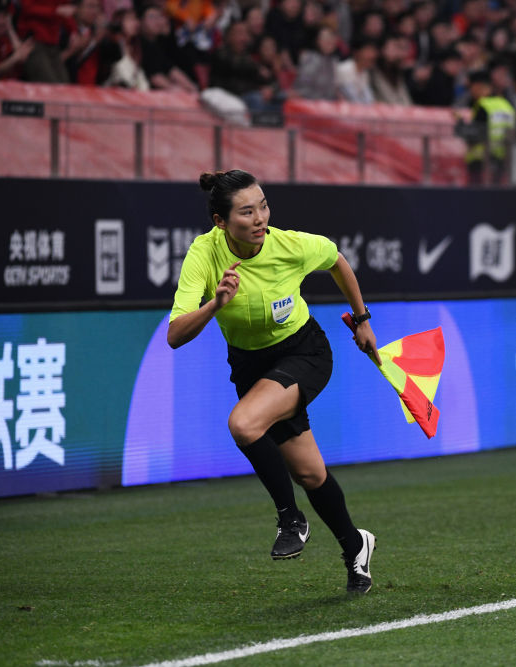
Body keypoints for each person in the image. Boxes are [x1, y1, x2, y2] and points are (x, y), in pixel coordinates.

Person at [167, 170, 379, 594]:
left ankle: (290, 519)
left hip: (304, 353)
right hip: (251, 367)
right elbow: (175, 335)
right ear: (220, 222)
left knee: (244, 424)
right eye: (247, 212)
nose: (260, 218)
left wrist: (362, 319)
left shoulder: (289, 245)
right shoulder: (204, 254)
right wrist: (215, 304)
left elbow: (336, 260)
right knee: (310, 474)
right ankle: (357, 546)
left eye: (263, 206)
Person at [461, 68, 514, 185]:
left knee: (477, 194)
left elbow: (474, 135)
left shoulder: (483, 105)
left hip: (481, 160)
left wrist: (460, 124)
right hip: (501, 159)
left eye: (470, 88)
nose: (470, 92)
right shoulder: (506, 105)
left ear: (478, 86)